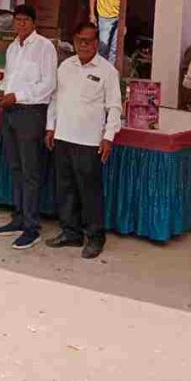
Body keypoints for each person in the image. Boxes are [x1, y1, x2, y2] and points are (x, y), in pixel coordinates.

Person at [45, 22, 121, 259]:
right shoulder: (65, 66)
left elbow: (114, 107)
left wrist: (108, 137)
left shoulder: (108, 71)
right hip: (63, 137)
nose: (84, 45)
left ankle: (95, 237)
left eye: (89, 41)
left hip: (89, 141)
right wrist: (50, 127)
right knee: (65, 188)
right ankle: (71, 233)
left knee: (90, 192)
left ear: (97, 43)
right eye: (80, 40)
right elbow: (55, 99)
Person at [0, 4, 57, 250]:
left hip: (31, 113)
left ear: (33, 22)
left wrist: (17, 96)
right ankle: (18, 218)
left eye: (25, 20)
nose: (20, 24)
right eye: (17, 20)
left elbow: (48, 84)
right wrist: (0, 92)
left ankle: (32, 227)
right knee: (16, 168)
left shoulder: (44, 46)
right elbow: (9, 78)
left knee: (30, 172)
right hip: (10, 113)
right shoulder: (12, 48)